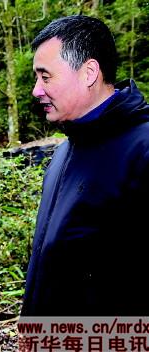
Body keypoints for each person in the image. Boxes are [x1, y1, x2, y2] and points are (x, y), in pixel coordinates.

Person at [22, 15, 149, 316]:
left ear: (89, 72)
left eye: (45, 76)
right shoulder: (65, 150)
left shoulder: (142, 150)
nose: (36, 90)